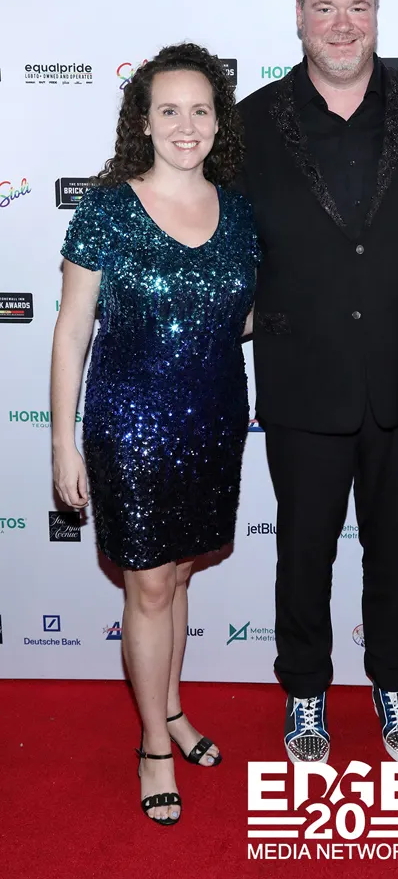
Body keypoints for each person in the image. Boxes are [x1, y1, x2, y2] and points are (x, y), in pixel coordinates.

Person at [237, 0, 398, 764]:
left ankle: (395, 681)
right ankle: (305, 691)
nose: (342, 24)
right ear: (299, 15)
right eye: (325, 7)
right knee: (303, 553)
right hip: (302, 381)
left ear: (377, 13)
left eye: (357, 6)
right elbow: (219, 238)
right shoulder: (250, 122)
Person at [51, 43, 258, 825]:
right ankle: (153, 746)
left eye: (200, 109)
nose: (185, 124)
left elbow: (240, 316)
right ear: (142, 120)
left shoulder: (240, 212)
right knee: (146, 584)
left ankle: (170, 707)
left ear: (218, 121)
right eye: (168, 109)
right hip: (130, 424)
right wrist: (63, 441)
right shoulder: (107, 208)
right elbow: (72, 332)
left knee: (178, 577)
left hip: (214, 420)